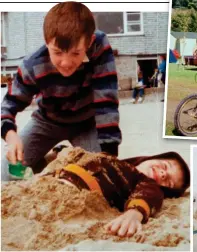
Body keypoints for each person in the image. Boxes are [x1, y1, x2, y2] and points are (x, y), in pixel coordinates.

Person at [1, 2, 122, 181]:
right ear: (46, 41)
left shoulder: (99, 48)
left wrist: (110, 157)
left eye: (75, 53)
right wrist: (11, 137)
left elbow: (107, 103)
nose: (65, 63)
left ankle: (61, 156)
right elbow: (7, 107)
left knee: (100, 178)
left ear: (89, 42)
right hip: (47, 122)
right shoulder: (32, 65)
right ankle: (47, 161)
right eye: (57, 52)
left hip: (86, 124)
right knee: (5, 174)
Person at [40, 146, 190, 238]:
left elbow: (148, 194)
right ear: (153, 158)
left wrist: (135, 213)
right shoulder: (118, 162)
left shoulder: (145, 181)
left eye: (168, 182)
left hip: (71, 193)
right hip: (46, 181)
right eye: (165, 165)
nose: (164, 174)